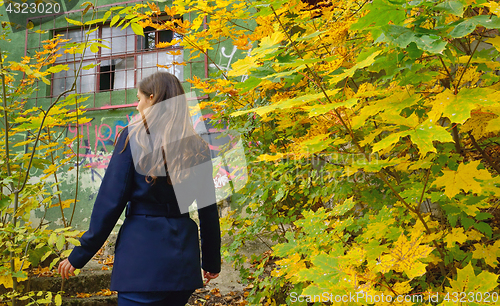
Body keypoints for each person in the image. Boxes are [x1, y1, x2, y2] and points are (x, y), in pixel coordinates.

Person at [58, 71, 221, 306]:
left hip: (141, 264)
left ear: (152, 98)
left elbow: (110, 203)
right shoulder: (197, 146)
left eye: (139, 99)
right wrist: (211, 262)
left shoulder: (132, 138)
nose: (137, 106)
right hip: (183, 264)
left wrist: (80, 254)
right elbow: (208, 209)